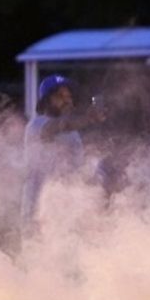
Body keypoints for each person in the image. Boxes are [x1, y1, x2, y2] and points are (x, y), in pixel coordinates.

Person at [20, 74, 106, 232]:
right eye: (60, 96)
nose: (67, 100)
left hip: (65, 210)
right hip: (39, 214)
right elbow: (54, 128)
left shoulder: (72, 132)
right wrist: (88, 119)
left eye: (69, 96)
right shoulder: (36, 125)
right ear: (45, 100)